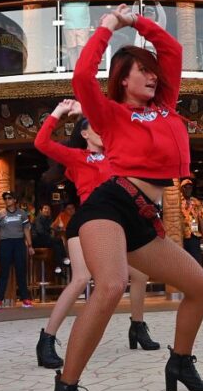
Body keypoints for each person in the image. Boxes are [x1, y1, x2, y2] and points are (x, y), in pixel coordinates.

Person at [52, 4, 203, 391]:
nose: (152, 75)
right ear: (123, 78)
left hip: (145, 217)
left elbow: (173, 49)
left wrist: (138, 23)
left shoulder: (166, 106)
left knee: (201, 287)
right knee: (110, 286)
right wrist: (108, 26)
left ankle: (179, 361)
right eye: (141, 70)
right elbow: (83, 78)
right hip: (109, 204)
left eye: (153, 70)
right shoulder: (108, 112)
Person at [34, 99, 160, 369]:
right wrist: (58, 112)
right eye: (96, 127)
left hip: (117, 223)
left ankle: (137, 327)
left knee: (138, 274)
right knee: (81, 278)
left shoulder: (117, 157)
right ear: (84, 133)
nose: (104, 131)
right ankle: (47, 338)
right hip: (86, 221)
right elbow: (42, 144)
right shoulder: (78, 157)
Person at [0, 191, 34, 309]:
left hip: (19, 243)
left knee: (21, 271)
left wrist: (30, 246)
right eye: (5, 198)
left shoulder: (22, 213)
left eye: (9, 198)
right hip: (5, 243)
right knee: (3, 273)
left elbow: (26, 230)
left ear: (15, 200)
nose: (7, 200)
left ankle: (25, 299)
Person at [48, 0, 99, 69]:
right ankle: (75, 74)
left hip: (83, 23)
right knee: (72, 50)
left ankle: (82, 72)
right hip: (68, 23)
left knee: (83, 49)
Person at [180, 178, 203, 268]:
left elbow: (201, 219)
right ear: (181, 188)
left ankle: (196, 281)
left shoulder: (196, 202)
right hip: (181, 235)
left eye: (190, 187)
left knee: (196, 261)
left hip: (194, 234)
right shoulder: (177, 201)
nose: (188, 189)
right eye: (185, 187)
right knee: (182, 261)